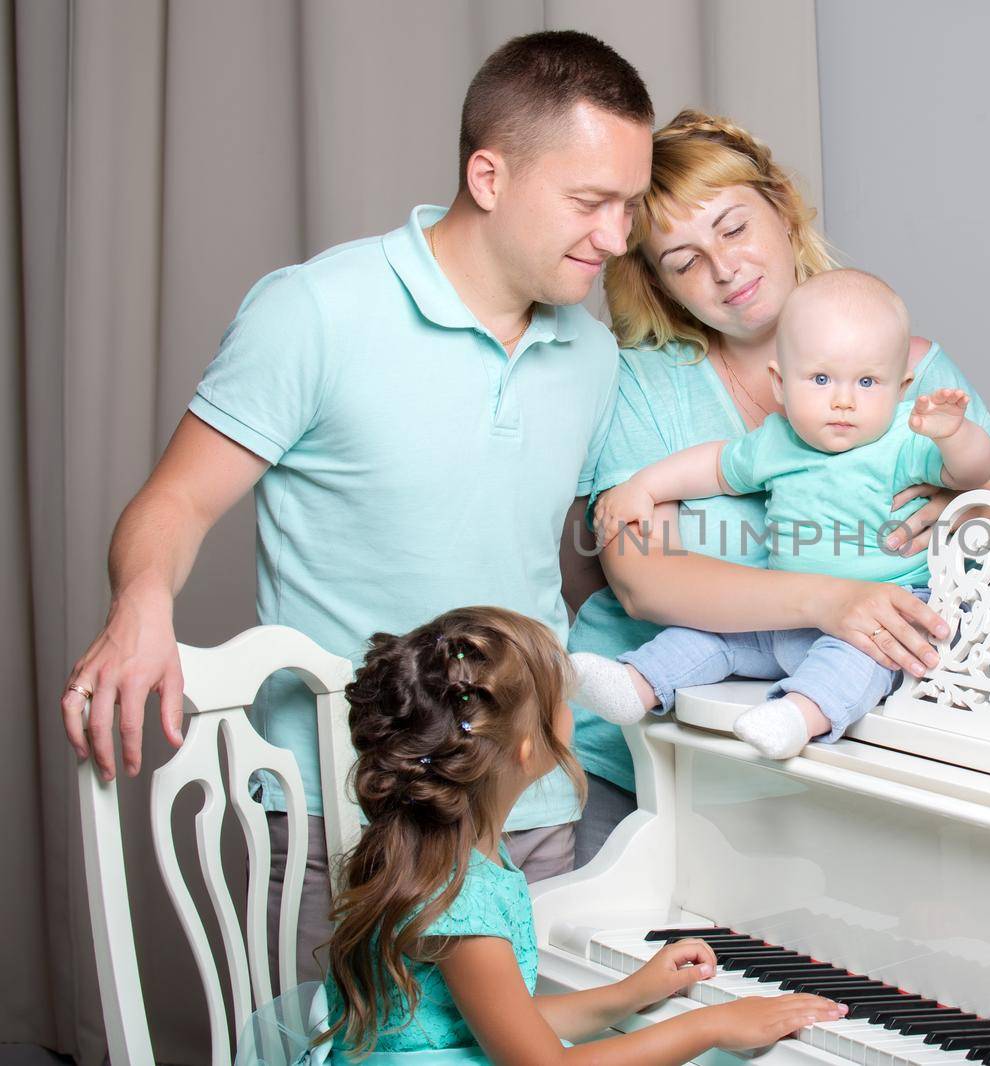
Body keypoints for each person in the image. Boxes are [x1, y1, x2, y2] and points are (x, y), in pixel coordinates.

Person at [59, 31, 653, 980]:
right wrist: (140, 607)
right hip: (341, 811)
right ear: (489, 176)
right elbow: (170, 504)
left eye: (629, 205)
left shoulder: (591, 355)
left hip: (529, 806)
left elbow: (577, 563)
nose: (617, 238)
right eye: (590, 203)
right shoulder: (314, 312)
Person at [565, 111, 990, 866]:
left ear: (782, 210)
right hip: (642, 761)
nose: (723, 268)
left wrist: (968, 499)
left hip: (844, 759)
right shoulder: (646, 385)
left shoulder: (907, 367)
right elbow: (644, 581)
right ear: (658, 284)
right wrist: (827, 598)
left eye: (733, 227)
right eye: (683, 259)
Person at [286, 606, 844, 1063]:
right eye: (561, 700)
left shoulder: (450, 849)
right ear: (530, 750)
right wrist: (711, 1026)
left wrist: (631, 994)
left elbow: (500, 1023)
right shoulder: (461, 902)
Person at [574, 269, 990, 759]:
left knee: (862, 660)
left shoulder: (904, 439)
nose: (843, 400)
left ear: (900, 388)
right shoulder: (777, 442)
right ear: (781, 383)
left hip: (886, 609)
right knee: (706, 635)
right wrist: (642, 487)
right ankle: (637, 683)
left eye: (867, 381)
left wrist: (953, 435)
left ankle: (799, 713)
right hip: (783, 610)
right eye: (820, 379)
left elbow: (973, 473)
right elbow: (712, 467)